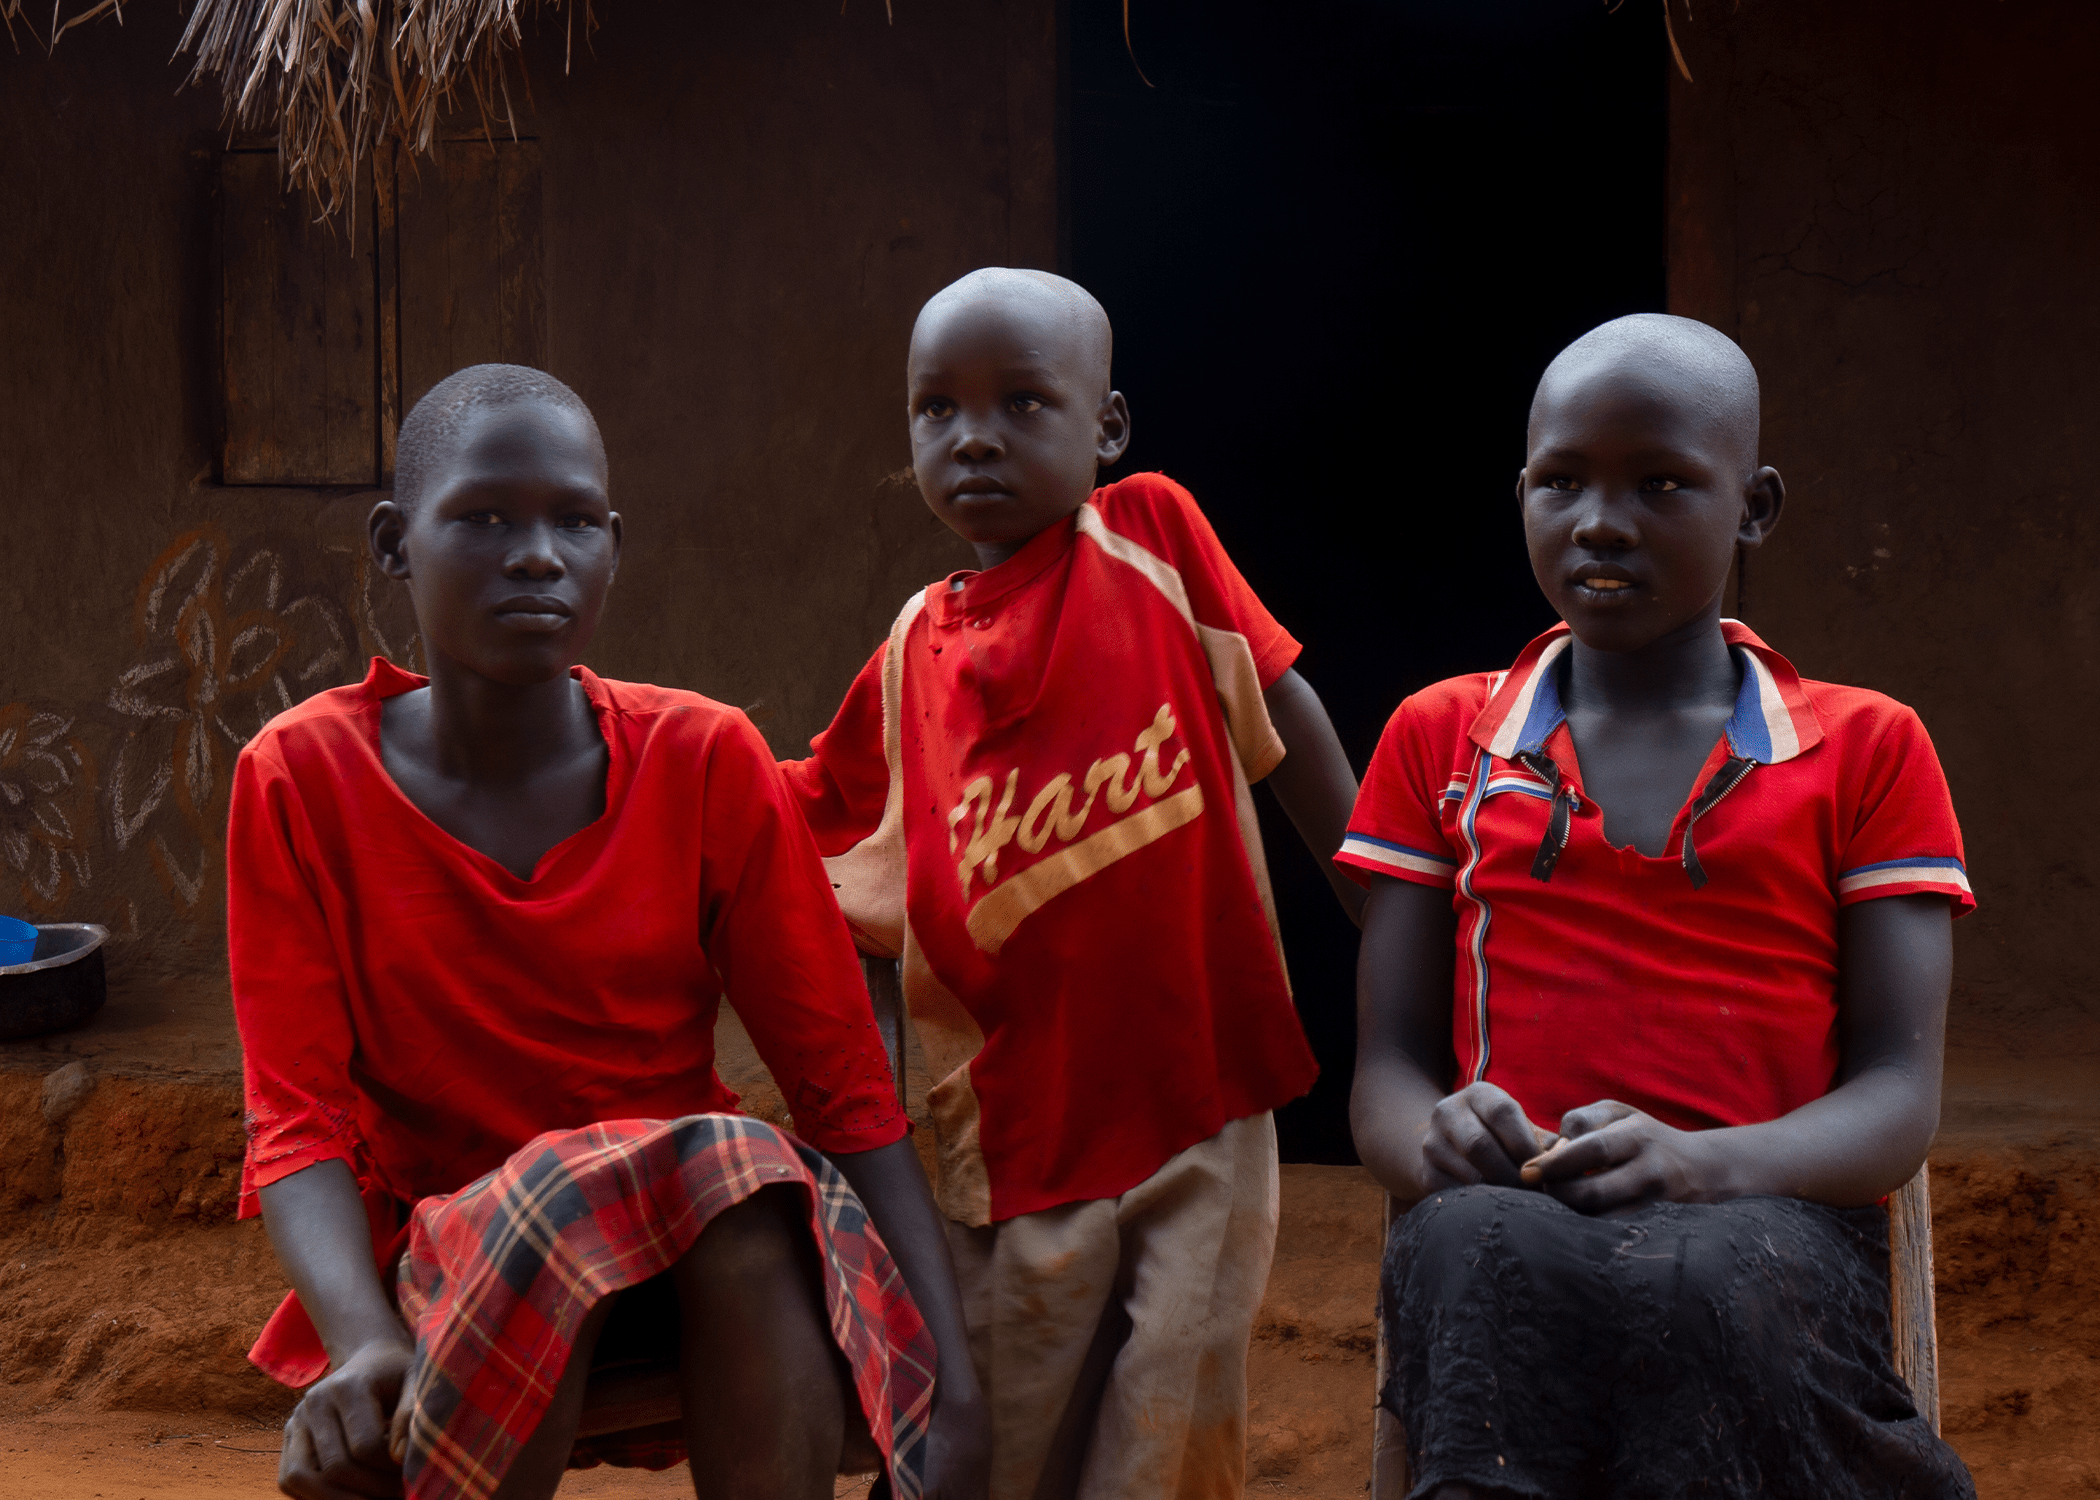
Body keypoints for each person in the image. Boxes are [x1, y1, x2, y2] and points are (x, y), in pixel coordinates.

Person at [228, 365, 989, 1500]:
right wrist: (364, 1345)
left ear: (613, 548)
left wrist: (953, 1385)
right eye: (485, 519)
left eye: (575, 522)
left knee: (748, 1186)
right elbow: (297, 1122)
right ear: (393, 544)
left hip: (695, 1243)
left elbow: (843, 1092)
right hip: (451, 1262)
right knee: (560, 1197)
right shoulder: (300, 778)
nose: (538, 555)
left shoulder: (705, 758)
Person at [1343, 313, 1977, 1499]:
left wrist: (1698, 1165)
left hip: (1769, 1222)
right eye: (1561, 481)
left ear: (1755, 507)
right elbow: (1386, 1069)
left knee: (1702, 1280)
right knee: (1475, 1244)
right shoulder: (1442, 737)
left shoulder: (1867, 748)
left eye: (1661, 483)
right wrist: (1435, 1141)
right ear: (1520, 495)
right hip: (1513, 1209)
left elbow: (1899, 1097)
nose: (1599, 520)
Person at [781, 267, 1364, 1497]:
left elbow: (1285, 706)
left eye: (1022, 402)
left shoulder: (1151, 539)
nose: (974, 436)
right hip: (1007, 1137)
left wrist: (1383, 903)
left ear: (1107, 426)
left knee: (1168, 1435)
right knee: (1000, 1443)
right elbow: (794, 824)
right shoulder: (906, 655)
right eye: (937, 408)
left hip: (1200, 1098)